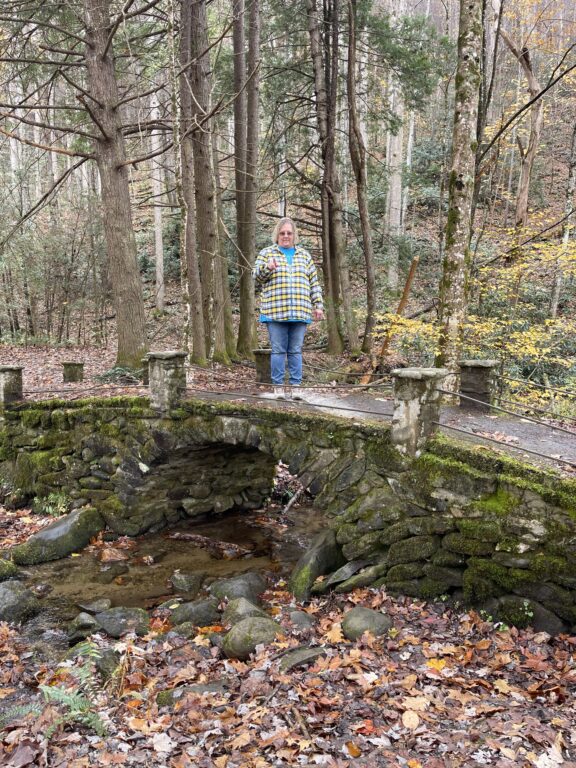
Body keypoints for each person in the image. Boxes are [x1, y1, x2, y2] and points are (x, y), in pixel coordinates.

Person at [253, 217, 324, 400]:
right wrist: (267, 268)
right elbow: (256, 277)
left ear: (294, 236)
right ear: (277, 235)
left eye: (289, 233)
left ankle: (296, 386)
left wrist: (318, 305)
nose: (286, 236)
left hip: (300, 312)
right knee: (278, 350)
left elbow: (313, 283)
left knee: (295, 350)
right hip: (275, 312)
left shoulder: (304, 255)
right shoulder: (267, 253)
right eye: (282, 233)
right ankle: (278, 387)